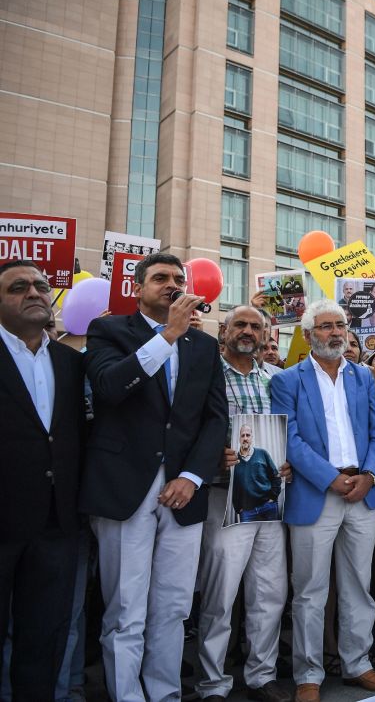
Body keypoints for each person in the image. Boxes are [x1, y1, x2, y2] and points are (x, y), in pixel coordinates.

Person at [81, 252, 228, 702]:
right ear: (138, 288)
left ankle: (163, 694)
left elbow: (214, 418)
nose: (172, 285)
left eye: (178, 279)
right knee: (127, 608)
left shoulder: (203, 347)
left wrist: (191, 476)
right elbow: (109, 388)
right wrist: (167, 336)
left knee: (173, 606)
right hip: (124, 487)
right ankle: (127, 695)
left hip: (183, 493)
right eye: (160, 278)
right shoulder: (108, 331)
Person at [270, 300, 375, 701]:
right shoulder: (287, 381)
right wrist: (329, 478)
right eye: (325, 327)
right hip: (314, 493)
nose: (336, 332)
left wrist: (370, 476)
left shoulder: (362, 377)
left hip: (362, 490)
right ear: (307, 336)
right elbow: (289, 438)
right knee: (309, 590)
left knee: (359, 584)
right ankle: (309, 673)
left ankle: (358, 664)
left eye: (340, 325)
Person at [196, 305, 290, 702]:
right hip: (224, 497)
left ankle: (261, 675)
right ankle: (212, 683)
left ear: (266, 333)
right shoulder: (207, 375)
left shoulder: (276, 378)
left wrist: (287, 462)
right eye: (241, 324)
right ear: (224, 330)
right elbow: (192, 426)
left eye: (256, 325)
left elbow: (291, 429)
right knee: (220, 595)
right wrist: (212, 455)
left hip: (270, 502)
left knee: (269, 592)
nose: (248, 331)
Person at [0, 261, 85, 699]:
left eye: (40, 285)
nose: (34, 292)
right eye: (19, 287)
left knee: (43, 640)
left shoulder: (70, 363)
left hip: (56, 524)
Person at [231, 423, 282, 523]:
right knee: (246, 538)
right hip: (247, 512)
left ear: (252, 437)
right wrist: (238, 508)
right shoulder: (234, 460)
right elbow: (235, 487)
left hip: (268, 506)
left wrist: (273, 497)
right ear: (239, 439)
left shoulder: (262, 453)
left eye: (248, 435)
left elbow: (276, 476)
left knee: (270, 537)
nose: (245, 438)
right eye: (242, 435)